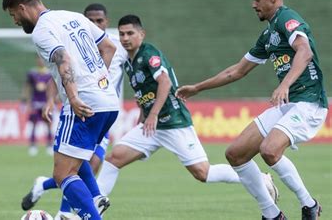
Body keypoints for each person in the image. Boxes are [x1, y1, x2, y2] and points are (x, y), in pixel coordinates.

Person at [175, 0, 327, 220]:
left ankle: (309, 205)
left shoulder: (287, 19)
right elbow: (237, 71)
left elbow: (305, 51)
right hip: (288, 104)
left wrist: (285, 85)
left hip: (309, 102)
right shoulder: (268, 35)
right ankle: (272, 214)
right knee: (235, 153)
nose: (253, 4)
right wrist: (198, 88)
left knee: (269, 150)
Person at [95, 14, 279, 211]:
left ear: (141, 34)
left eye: (130, 33)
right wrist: (144, 116)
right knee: (114, 159)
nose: (125, 38)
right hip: (151, 127)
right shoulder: (129, 62)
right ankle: (94, 207)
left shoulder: (149, 54)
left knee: (203, 173)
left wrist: (154, 114)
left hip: (173, 122)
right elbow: (145, 93)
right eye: (122, 34)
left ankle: (259, 178)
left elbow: (165, 83)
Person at [2, 0, 120, 220]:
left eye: (14, 15)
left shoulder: (42, 31)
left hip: (84, 103)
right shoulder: (72, 16)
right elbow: (108, 46)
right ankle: (96, 198)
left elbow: (63, 59)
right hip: (108, 100)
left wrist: (75, 97)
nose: (15, 21)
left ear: (23, 8)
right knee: (74, 156)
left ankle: (92, 214)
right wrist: (98, 82)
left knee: (62, 174)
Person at [22, 55, 53, 156]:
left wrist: (53, 100)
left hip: (46, 102)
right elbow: (27, 87)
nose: (40, 61)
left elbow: (53, 88)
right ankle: (33, 145)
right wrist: (25, 101)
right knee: (34, 123)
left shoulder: (49, 74)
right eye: (38, 59)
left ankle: (49, 144)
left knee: (48, 123)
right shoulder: (32, 73)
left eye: (41, 59)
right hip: (35, 102)